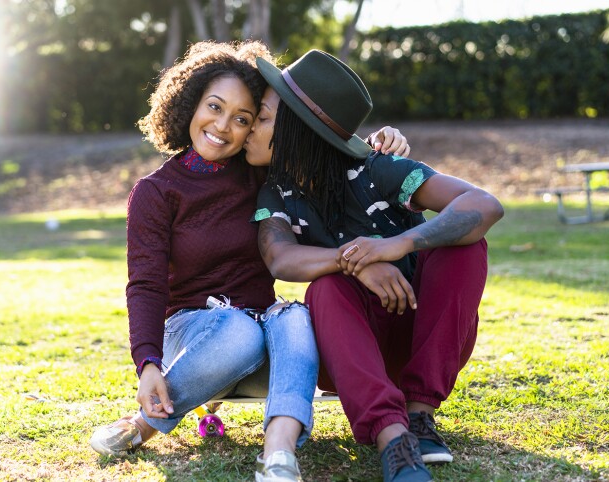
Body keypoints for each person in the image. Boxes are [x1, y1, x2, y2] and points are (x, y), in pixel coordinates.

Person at [89, 41, 409, 482]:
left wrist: (377, 146)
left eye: (242, 119)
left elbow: (322, 156)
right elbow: (145, 285)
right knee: (240, 331)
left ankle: (278, 457)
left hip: (262, 340)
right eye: (214, 107)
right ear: (189, 105)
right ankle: (146, 422)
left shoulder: (264, 175)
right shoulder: (156, 192)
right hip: (196, 340)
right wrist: (147, 365)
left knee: (295, 317)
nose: (223, 126)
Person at [243, 49, 504, 482]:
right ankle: (394, 439)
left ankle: (420, 416)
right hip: (346, 355)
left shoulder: (379, 171)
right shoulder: (276, 193)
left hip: (423, 340)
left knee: (466, 248)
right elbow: (279, 257)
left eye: (264, 118)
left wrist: (395, 245)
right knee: (324, 288)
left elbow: (484, 205)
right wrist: (354, 262)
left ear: (299, 131)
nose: (251, 127)